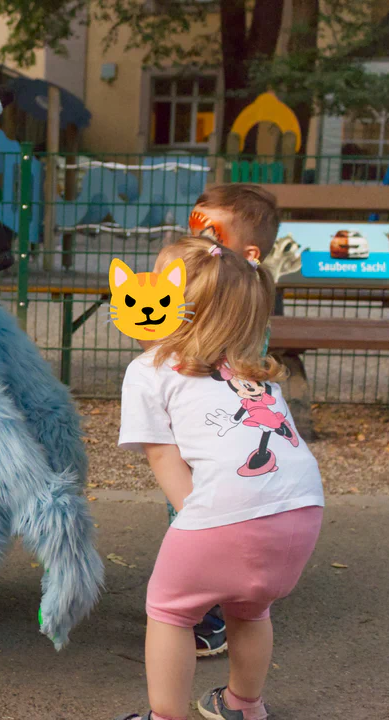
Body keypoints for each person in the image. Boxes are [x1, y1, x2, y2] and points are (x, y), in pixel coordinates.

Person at [116, 237, 324, 720]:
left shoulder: (149, 371)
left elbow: (164, 458)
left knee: (169, 611)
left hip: (227, 514)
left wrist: (197, 521)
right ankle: (243, 706)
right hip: (302, 511)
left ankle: (165, 716)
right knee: (251, 609)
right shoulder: (258, 373)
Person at [175, 184, 282, 657]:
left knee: (203, 517)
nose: (198, 244)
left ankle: (210, 617)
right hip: (203, 429)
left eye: (210, 234)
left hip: (224, 431)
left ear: (249, 252)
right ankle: (218, 600)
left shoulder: (242, 301)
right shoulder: (207, 285)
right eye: (193, 230)